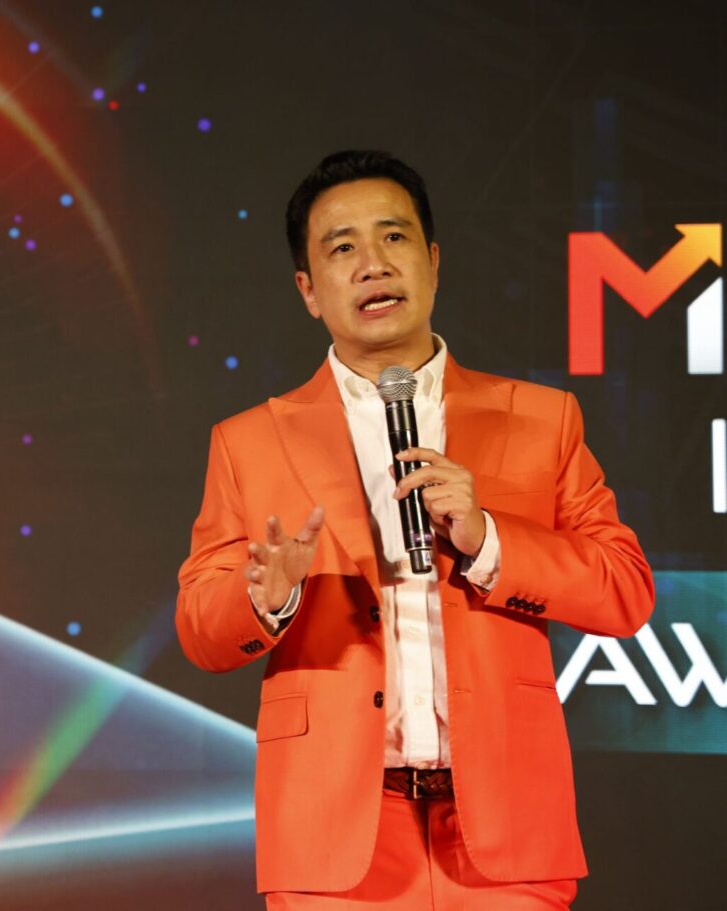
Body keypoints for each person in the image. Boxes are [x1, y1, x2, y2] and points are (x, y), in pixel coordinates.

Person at [175, 150, 654, 909]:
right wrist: (265, 596)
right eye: (342, 247)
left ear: (433, 261)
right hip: (335, 833)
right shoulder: (249, 441)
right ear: (308, 290)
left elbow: (625, 590)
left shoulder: (539, 418)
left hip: (505, 830)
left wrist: (489, 537)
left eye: (393, 237)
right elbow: (202, 632)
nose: (373, 264)